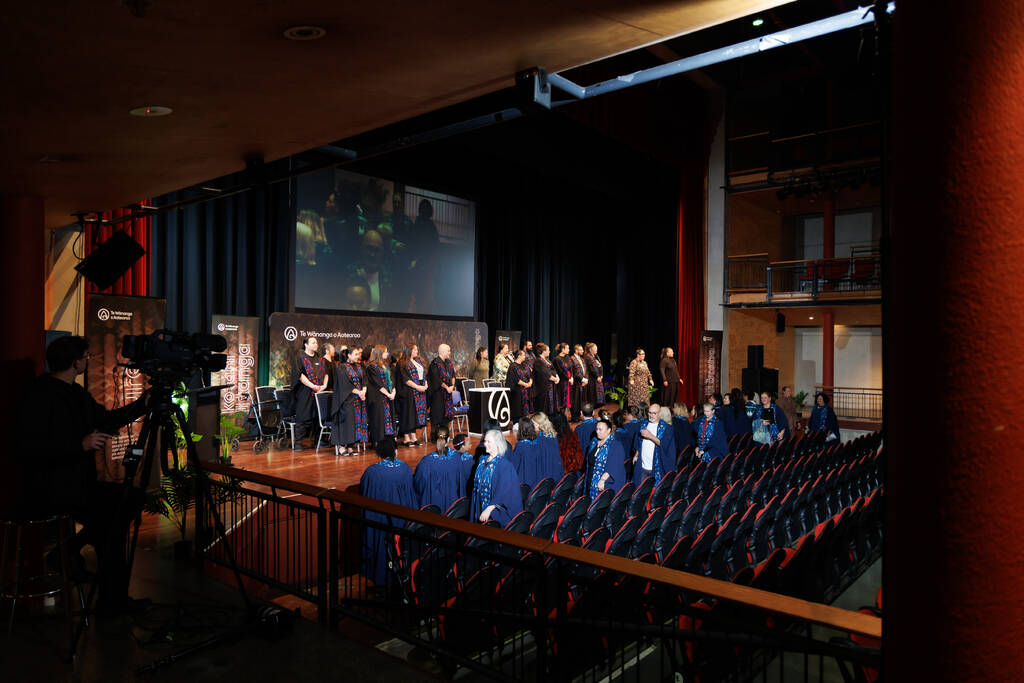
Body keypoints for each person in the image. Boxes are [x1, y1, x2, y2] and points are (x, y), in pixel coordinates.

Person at [19, 336, 150, 612]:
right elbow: (30, 448)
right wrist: (79, 445)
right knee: (111, 519)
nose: (88, 361)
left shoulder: (75, 393)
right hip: (53, 486)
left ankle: (70, 556)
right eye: (87, 357)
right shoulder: (39, 395)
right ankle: (111, 600)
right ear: (75, 362)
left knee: (129, 500)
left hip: (79, 483)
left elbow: (107, 419)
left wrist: (144, 404)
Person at [359, 438, 415, 588]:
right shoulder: (405, 469)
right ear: (395, 451)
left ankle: (381, 584)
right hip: (401, 520)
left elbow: (364, 494)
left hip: (380, 520)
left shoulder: (372, 472)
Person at [471, 429, 523, 526]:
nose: (485, 444)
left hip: (495, 514)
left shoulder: (505, 466)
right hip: (480, 506)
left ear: (497, 443)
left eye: (489, 441)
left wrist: (489, 508)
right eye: (485, 441)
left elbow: (504, 491)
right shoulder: (482, 461)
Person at [290, 337, 328, 450]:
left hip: (319, 391)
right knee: (302, 416)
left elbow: (326, 373)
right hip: (305, 392)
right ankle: (298, 443)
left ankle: (317, 441)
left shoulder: (320, 358)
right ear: (306, 345)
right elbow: (299, 375)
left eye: (316, 342)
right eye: (313, 342)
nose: (316, 344)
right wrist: (312, 386)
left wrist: (324, 386)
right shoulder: (300, 357)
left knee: (318, 416)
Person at [413, 427, 463, 511]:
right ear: (448, 440)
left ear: (435, 440)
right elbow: (460, 483)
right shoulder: (456, 458)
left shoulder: (427, 461)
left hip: (433, 506)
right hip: (452, 505)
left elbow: (418, 485)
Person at [331, 346, 369, 456]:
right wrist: (359, 392)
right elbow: (345, 385)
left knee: (356, 423)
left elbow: (364, 380)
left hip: (359, 400)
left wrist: (364, 390)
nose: (358, 357)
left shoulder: (360, 366)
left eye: (359, 354)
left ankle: (351, 447)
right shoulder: (342, 367)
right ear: (349, 355)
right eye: (356, 354)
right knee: (348, 423)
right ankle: (342, 447)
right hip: (346, 400)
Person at [633, 403, 676, 485]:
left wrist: (650, 436)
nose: (651, 415)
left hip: (657, 465)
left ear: (659, 414)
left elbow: (664, 445)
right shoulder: (643, 425)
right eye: (650, 412)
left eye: (654, 413)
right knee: (640, 491)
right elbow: (639, 442)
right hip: (642, 465)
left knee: (654, 492)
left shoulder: (666, 428)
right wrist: (636, 453)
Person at [585, 418, 627, 498]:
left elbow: (614, 466)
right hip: (590, 480)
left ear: (608, 430)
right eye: (597, 429)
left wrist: (602, 480)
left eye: (600, 429)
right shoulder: (594, 443)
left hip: (606, 484)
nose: (597, 431)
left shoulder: (615, 445)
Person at [365, 345, 397, 445]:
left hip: (388, 397)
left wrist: (393, 392)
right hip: (378, 398)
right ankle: (379, 443)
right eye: (385, 352)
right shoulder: (372, 367)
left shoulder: (386, 366)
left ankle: (388, 441)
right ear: (379, 353)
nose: (387, 354)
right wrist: (388, 394)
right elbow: (377, 383)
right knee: (379, 420)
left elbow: (392, 381)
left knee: (389, 419)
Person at [397, 344, 428, 447]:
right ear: (409, 350)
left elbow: (423, 375)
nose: (416, 351)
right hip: (407, 392)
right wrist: (417, 387)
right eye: (415, 349)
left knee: (414, 415)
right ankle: (406, 439)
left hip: (419, 392)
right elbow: (405, 379)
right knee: (407, 415)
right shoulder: (402, 363)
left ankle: (414, 437)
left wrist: (425, 385)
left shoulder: (418, 361)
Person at [427, 343, 456, 439]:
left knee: (446, 417)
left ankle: (445, 436)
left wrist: (452, 386)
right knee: (437, 416)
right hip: (438, 395)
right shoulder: (435, 364)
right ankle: (435, 437)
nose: (449, 353)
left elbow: (453, 376)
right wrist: (446, 387)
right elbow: (436, 379)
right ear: (443, 351)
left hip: (448, 395)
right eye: (448, 351)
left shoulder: (448, 363)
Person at [531, 411, 565, 485]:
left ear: (539, 424)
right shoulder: (553, 436)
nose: (531, 426)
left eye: (533, 423)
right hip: (556, 474)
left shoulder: (539, 440)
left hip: (546, 476)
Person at [509, 417, 540, 486]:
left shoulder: (520, 445)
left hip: (523, 480)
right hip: (536, 480)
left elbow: (514, 465)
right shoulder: (537, 443)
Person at [532, 343, 559, 415]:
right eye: (548, 350)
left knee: (552, 406)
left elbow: (554, 370)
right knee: (544, 407)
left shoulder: (548, 360)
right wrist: (555, 379)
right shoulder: (538, 361)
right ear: (544, 351)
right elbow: (545, 374)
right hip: (543, 388)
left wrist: (557, 377)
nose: (549, 352)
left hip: (551, 386)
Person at [507, 348, 533, 420]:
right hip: (517, 391)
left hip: (527, 391)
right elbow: (515, 379)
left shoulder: (525, 365)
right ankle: (516, 423)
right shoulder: (512, 366)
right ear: (519, 356)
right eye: (523, 355)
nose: (525, 356)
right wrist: (525, 384)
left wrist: (530, 382)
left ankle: (526, 421)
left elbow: (530, 375)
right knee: (518, 410)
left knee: (526, 410)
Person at [583, 342, 605, 408]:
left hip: (598, 379)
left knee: (598, 399)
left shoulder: (596, 356)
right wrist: (597, 376)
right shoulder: (588, 357)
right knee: (592, 398)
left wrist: (601, 375)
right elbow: (592, 368)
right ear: (590, 349)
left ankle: (593, 412)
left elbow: (600, 366)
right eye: (595, 348)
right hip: (592, 380)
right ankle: (590, 413)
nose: (596, 349)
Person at [553, 343, 573, 415]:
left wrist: (572, 378)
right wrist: (568, 378)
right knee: (562, 400)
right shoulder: (557, 359)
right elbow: (560, 372)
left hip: (568, 381)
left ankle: (566, 418)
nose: (569, 350)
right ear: (562, 349)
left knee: (568, 400)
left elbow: (571, 368)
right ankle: (561, 417)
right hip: (562, 382)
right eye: (567, 348)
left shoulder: (568, 357)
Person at [570, 344, 588, 421]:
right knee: (575, 400)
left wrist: (586, 379)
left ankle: (579, 415)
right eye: (581, 350)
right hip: (576, 383)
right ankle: (574, 416)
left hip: (583, 383)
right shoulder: (572, 359)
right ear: (576, 350)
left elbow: (586, 370)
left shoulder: (582, 359)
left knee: (581, 400)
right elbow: (575, 372)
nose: (582, 351)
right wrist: (583, 379)